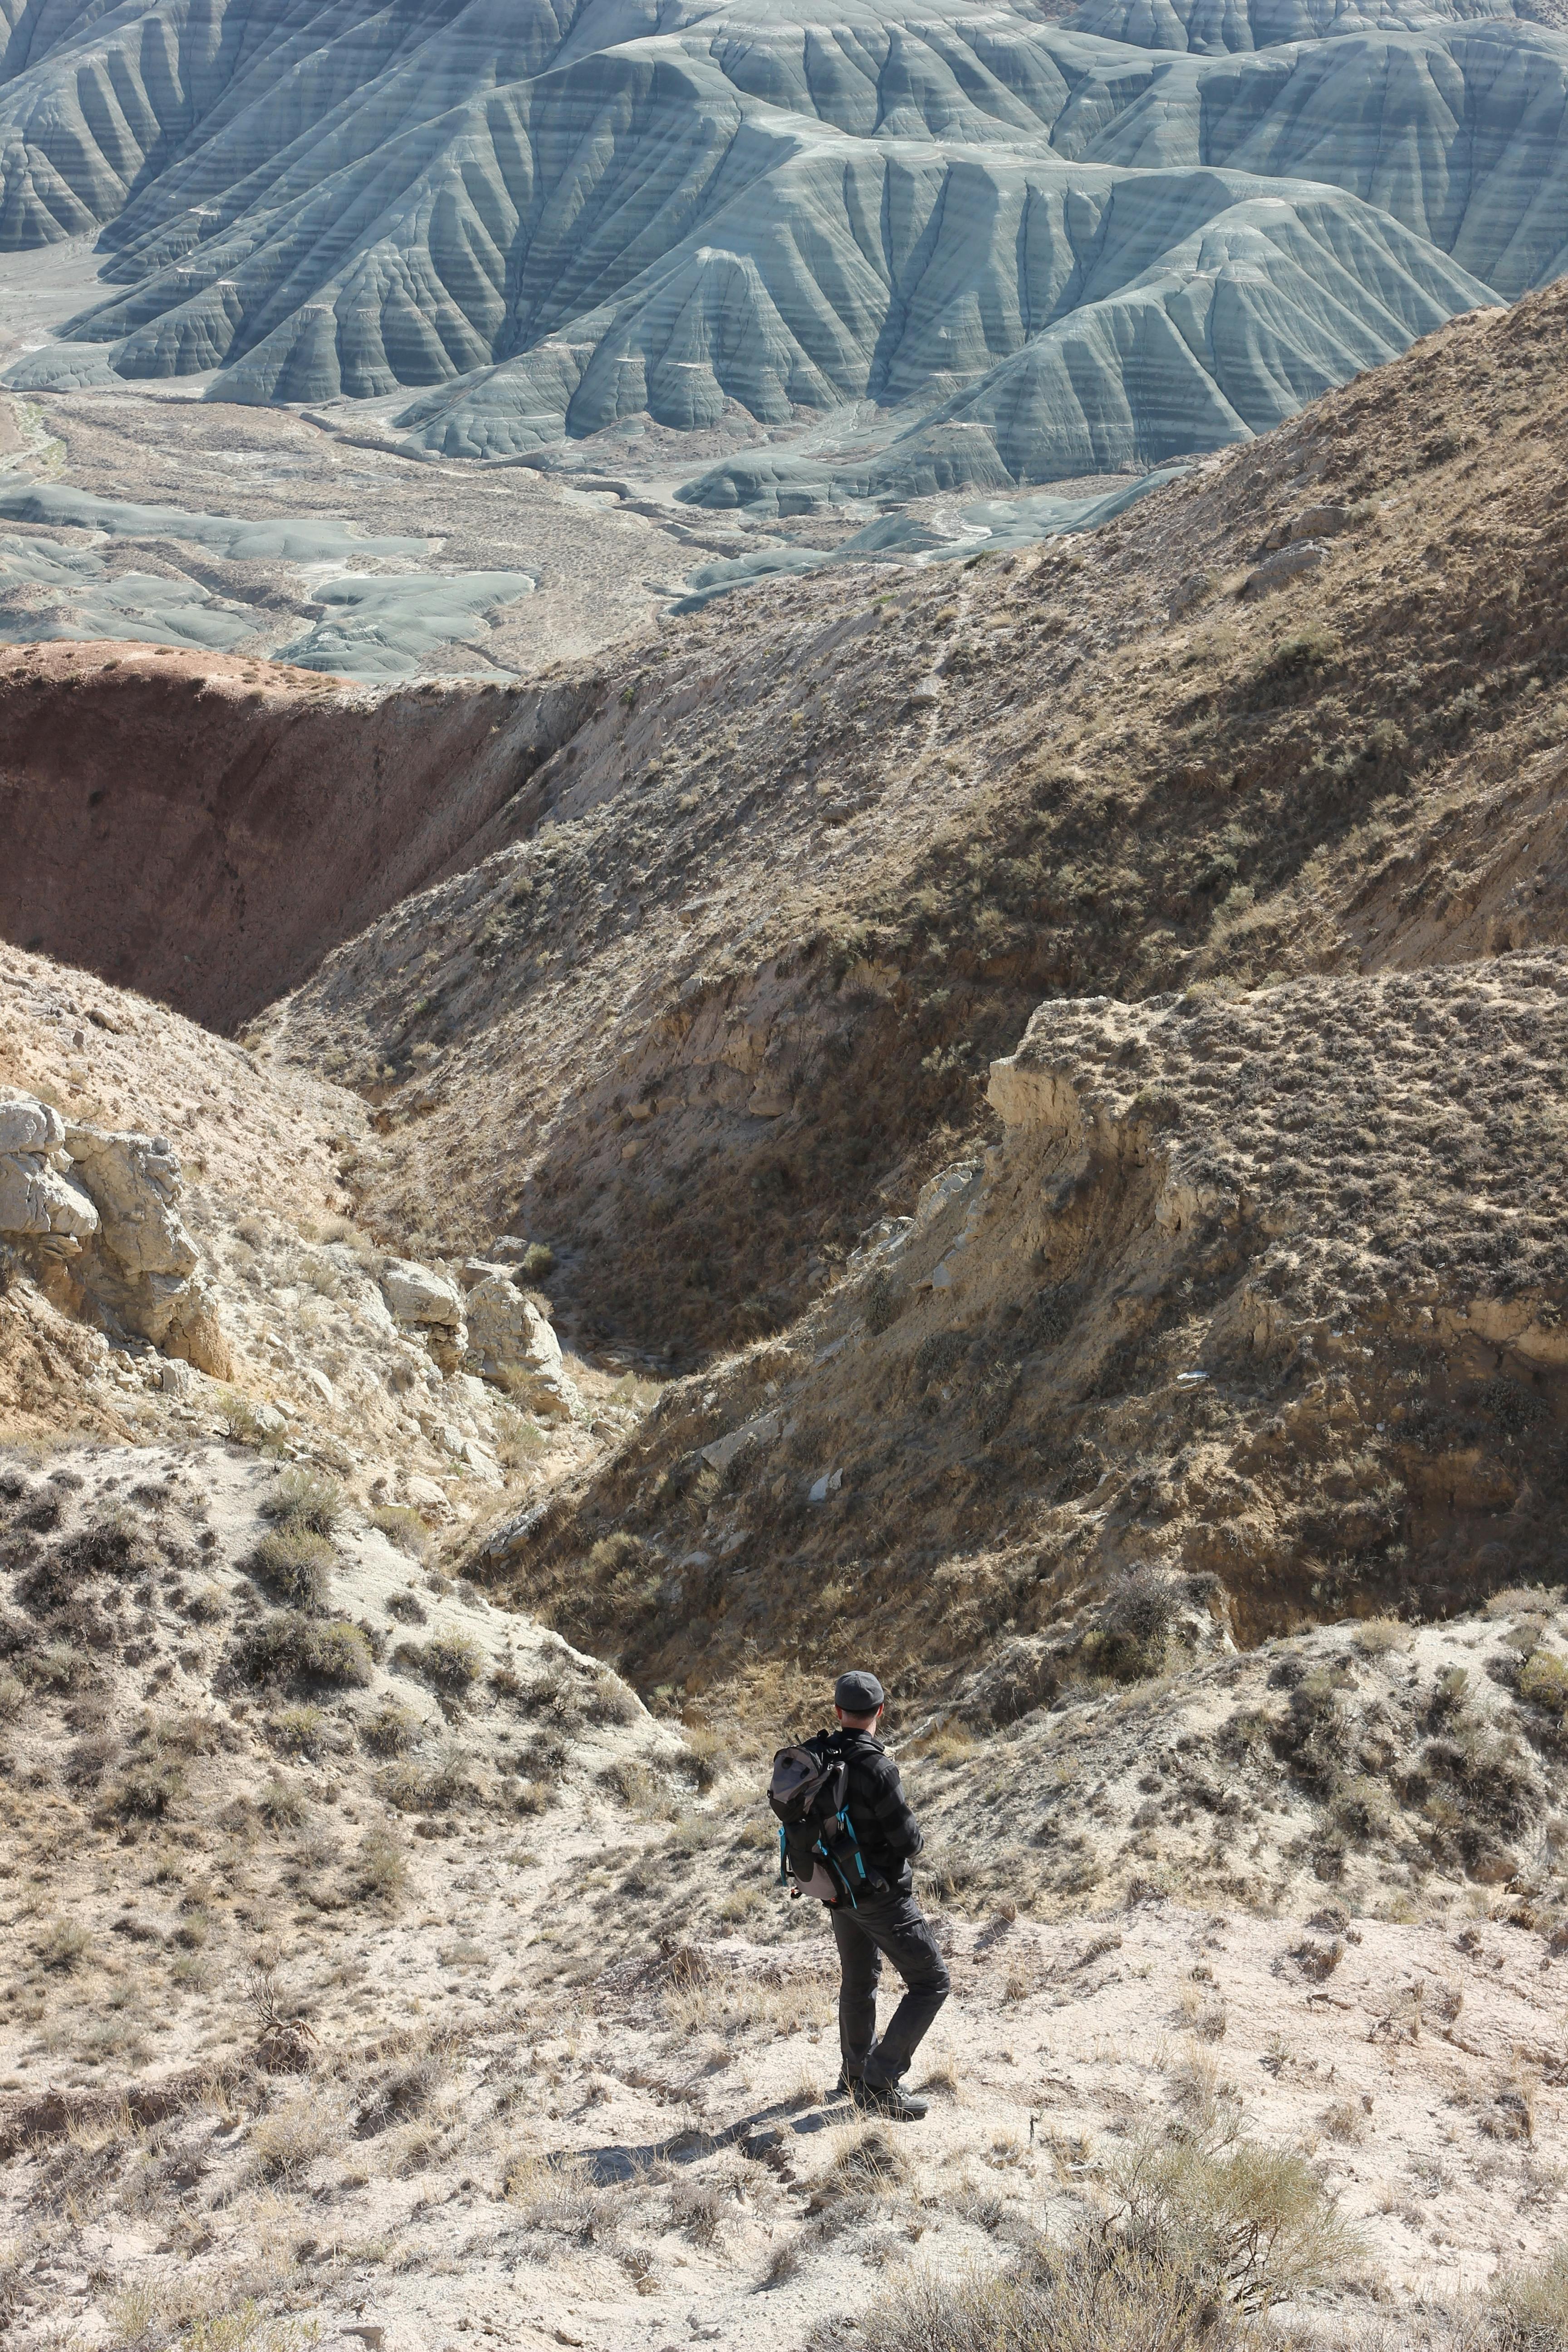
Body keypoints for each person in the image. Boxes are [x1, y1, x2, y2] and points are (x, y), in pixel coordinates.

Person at [794, 1669, 950, 2121]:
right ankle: (880, 2082)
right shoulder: (878, 1766)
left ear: (839, 1713)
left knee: (859, 1980)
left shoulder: (820, 1754)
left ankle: (854, 2072)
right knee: (931, 1981)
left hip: (837, 1892)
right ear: (880, 1712)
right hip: (881, 1895)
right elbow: (908, 1842)